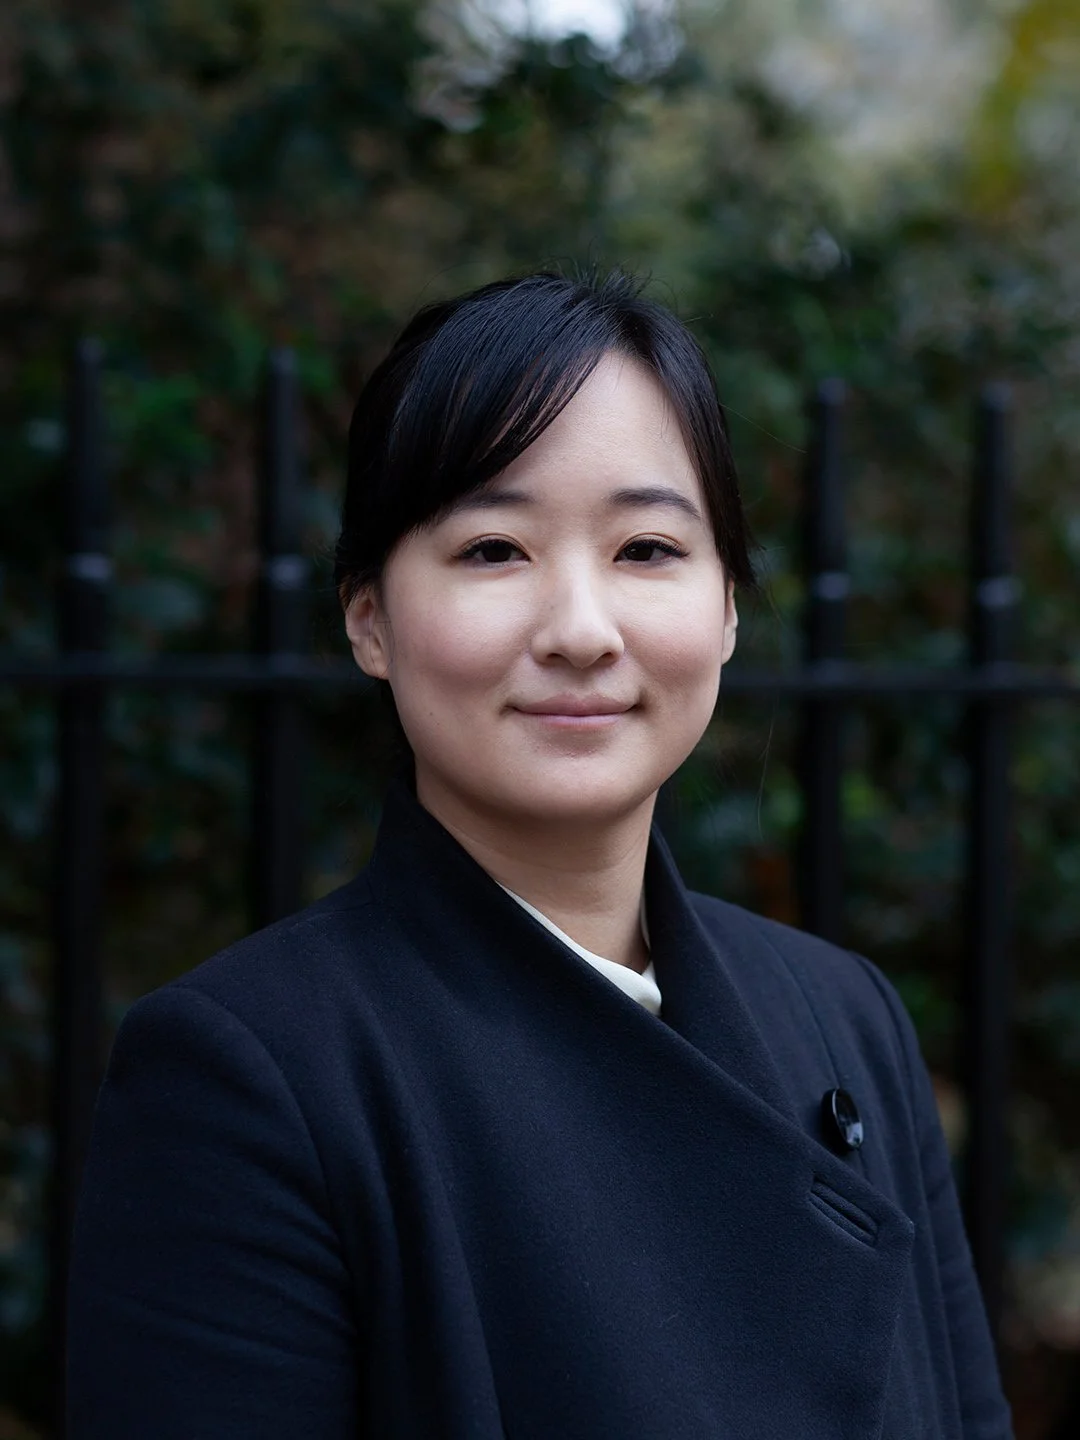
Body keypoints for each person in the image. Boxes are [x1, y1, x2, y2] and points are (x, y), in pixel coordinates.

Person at [67, 269, 1014, 1438]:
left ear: (727, 607)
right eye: (494, 550)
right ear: (368, 615)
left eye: (648, 549)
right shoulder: (251, 1077)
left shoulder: (842, 1017)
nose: (579, 630)